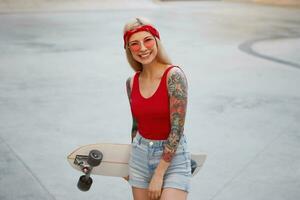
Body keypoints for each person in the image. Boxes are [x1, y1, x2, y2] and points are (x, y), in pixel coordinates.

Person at [123, 17, 191, 200]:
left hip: (172, 158)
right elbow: (136, 126)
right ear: (129, 49)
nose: (143, 48)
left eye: (147, 40)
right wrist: (129, 163)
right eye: (134, 44)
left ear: (156, 41)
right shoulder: (131, 82)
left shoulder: (174, 76)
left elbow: (177, 129)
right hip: (140, 157)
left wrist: (159, 174)